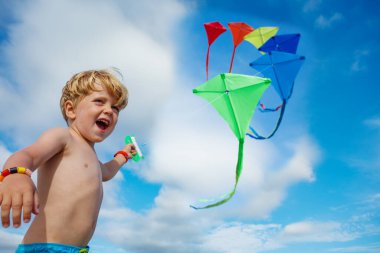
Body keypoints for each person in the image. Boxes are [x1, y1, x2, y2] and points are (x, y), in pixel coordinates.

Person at [0, 69, 136, 253]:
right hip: (44, 248)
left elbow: (107, 172)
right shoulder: (63, 137)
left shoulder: (93, 159)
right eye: (99, 101)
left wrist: (124, 155)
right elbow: (29, 155)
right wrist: (15, 174)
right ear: (71, 109)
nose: (109, 111)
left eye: (115, 108)